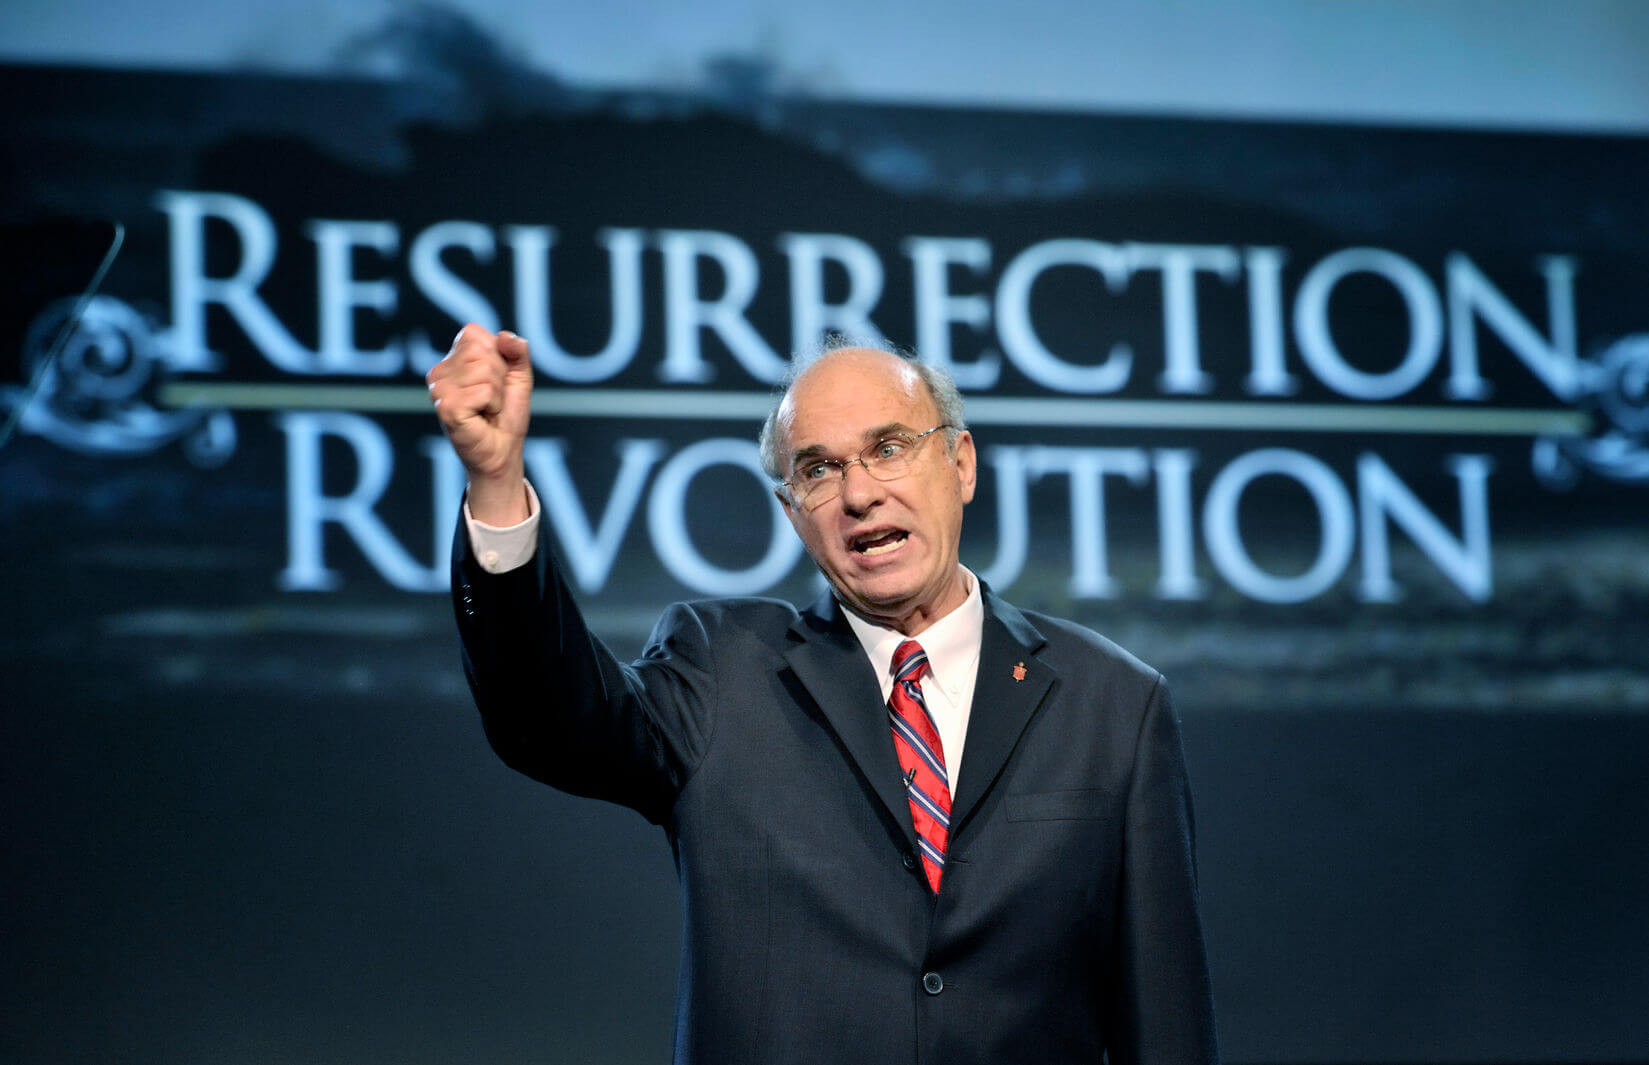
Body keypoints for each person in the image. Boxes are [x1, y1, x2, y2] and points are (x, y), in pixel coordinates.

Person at [426, 323, 1218, 1065]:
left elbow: (1164, 1018)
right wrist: (496, 484)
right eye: (817, 469)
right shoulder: (721, 669)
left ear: (961, 463)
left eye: (888, 448)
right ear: (791, 512)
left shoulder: (1113, 704)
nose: (858, 493)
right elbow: (548, 718)